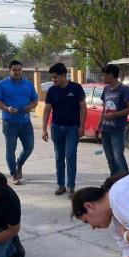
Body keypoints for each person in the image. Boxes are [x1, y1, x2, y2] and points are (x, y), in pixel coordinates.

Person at [42, 62, 86, 196]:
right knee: (59, 157)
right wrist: (44, 129)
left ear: (63, 75)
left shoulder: (76, 88)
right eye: (52, 77)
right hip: (56, 128)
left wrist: (82, 126)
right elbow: (47, 110)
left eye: (55, 77)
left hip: (73, 128)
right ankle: (61, 185)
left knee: (70, 155)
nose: (53, 80)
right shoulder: (52, 90)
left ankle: (71, 187)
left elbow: (83, 108)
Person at [0, 60, 39, 185]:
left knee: (29, 147)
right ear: (10, 70)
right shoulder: (2, 84)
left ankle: (19, 163)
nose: (17, 72)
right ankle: (14, 174)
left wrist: (31, 106)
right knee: (10, 149)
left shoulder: (28, 84)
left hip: (25, 122)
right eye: (14, 70)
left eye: (19, 69)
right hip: (10, 122)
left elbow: (35, 100)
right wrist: (7, 108)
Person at [100, 64, 129, 176]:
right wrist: (99, 125)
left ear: (111, 75)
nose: (102, 78)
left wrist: (115, 115)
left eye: (104, 75)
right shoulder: (106, 89)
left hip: (117, 130)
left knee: (118, 158)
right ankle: (114, 181)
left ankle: (127, 180)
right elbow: (104, 108)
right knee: (110, 159)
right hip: (105, 130)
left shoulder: (124, 89)